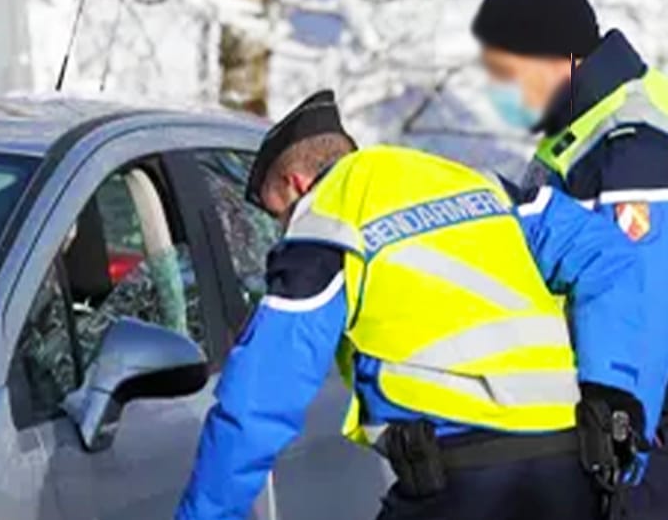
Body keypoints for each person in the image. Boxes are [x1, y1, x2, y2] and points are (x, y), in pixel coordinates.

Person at [176, 90, 651, 520]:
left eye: (276, 212)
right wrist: (611, 393)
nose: (281, 228)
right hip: (569, 472)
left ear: (298, 183)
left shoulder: (327, 226)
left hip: (460, 484)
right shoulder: (482, 187)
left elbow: (259, 398)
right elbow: (608, 256)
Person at [472, 0, 668, 518]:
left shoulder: (632, 148)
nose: (502, 90)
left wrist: (619, 461)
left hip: (645, 444)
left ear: (557, 57)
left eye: (508, 71)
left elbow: (644, 312)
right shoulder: (581, 136)